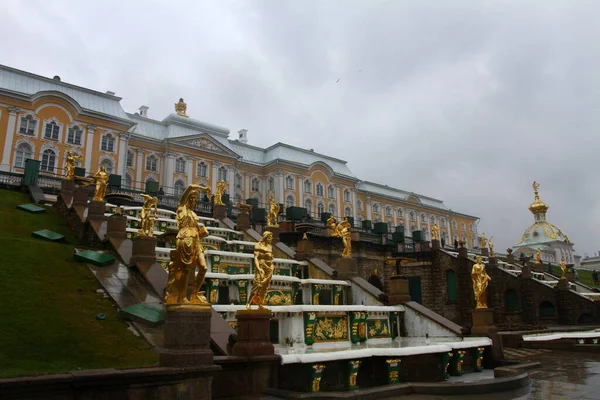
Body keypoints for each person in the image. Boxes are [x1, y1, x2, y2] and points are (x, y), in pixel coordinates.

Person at [247, 231, 274, 309]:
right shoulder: (258, 246)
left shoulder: (270, 246)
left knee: (264, 287)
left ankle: (260, 304)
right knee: (257, 285)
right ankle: (249, 303)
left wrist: (271, 267)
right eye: (269, 237)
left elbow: (271, 257)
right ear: (265, 237)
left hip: (269, 268)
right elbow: (256, 259)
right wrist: (259, 269)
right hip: (261, 266)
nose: (271, 239)